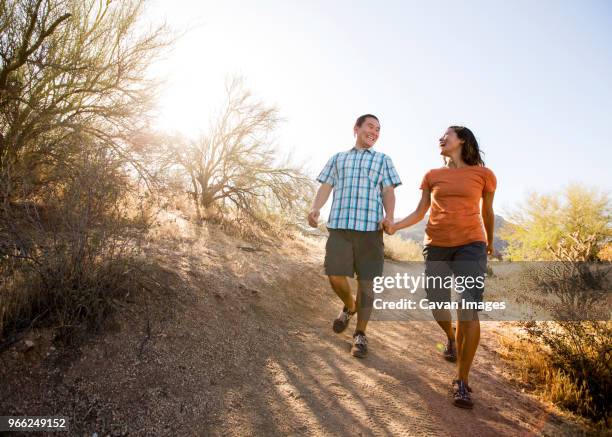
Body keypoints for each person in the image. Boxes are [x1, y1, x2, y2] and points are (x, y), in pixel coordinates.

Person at [385, 126, 496, 408]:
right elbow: (422, 211)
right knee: (437, 302)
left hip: (471, 244)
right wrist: (396, 225)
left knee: (468, 307)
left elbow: (487, 211)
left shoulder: (483, 174)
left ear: (462, 141)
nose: (441, 138)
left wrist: (489, 243)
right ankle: (450, 337)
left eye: (447, 134)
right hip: (436, 244)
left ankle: (462, 381)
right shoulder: (432, 175)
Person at [308, 114, 402, 358]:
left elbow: (388, 191)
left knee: (366, 284)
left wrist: (389, 216)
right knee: (335, 276)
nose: (374, 131)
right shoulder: (338, 158)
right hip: (340, 227)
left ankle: (360, 334)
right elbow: (325, 186)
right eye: (370, 126)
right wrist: (315, 207)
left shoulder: (383, 160)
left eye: (378, 129)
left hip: (370, 230)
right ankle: (350, 306)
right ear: (356, 128)